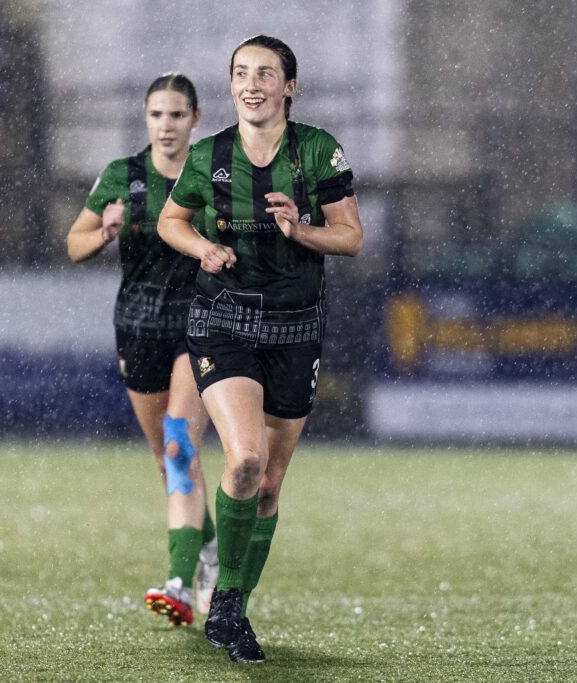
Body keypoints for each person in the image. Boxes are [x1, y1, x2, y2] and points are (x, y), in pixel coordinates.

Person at [158, 36, 364, 663]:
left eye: (266, 74)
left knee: (270, 484)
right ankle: (210, 593)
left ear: (289, 87)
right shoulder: (209, 157)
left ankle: (232, 604)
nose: (252, 84)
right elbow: (173, 221)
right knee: (245, 459)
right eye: (241, 73)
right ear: (231, 86)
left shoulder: (316, 150)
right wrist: (205, 249)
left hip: (296, 330)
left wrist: (299, 229)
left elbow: (352, 237)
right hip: (223, 322)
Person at [66, 73, 218, 627]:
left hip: (197, 326)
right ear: (145, 118)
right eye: (157, 115)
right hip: (137, 327)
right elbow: (74, 243)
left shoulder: (211, 178)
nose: (167, 125)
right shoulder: (122, 177)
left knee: (180, 446)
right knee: (167, 458)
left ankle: (178, 582)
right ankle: (208, 549)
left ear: (195, 119)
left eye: (177, 115)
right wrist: (103, 233)